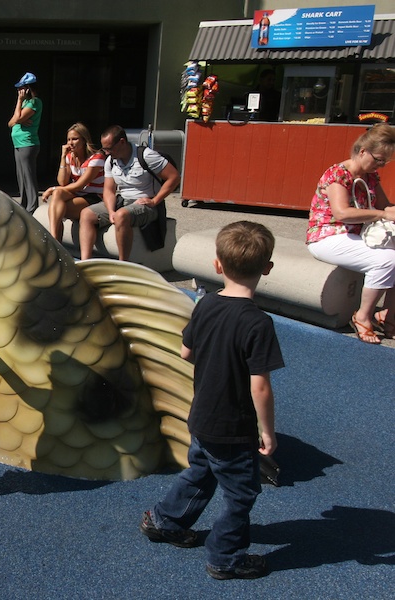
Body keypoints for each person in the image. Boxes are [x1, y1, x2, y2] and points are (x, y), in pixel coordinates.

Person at [140, 221, 283, 581]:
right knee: (242, 492)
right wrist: (268, 431)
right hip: (232, 427)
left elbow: (186, 351)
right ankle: (226, 556)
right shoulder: (258, 323)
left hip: (201, 415)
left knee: (201, 472)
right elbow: (260, 387)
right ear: (267, 268)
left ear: (217, 264)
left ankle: (165, 520)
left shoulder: (204, 304)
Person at [306, 124, 395, 344]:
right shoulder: (338, 174)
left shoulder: (370, 176)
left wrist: (388, 211)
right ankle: (362, 316)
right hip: (326, 237)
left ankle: (389, 317)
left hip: (356, 236)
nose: (381, 165)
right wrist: (382, 213)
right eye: (378, 159)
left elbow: (387, 206)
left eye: (385, 162)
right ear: (363, 150)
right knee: (388, 259)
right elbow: (342, 213)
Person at [79, 125, 179, 261]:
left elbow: (174, 177)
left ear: (122, 142)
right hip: (123, 201)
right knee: (86, 214)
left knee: (121, 216)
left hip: (146, 205)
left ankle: (123, 263)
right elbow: (108, 190)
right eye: (104, 149)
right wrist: (110, 210)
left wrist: (155, 200)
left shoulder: (146, 155)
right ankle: (85, 262)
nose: (107, 153)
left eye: (109, 148)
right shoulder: (111, 161)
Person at [41, 122, 106, 242]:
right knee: (58, 196)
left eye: (75, 139)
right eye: (68, 139)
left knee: (58, 206)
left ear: (84, 140)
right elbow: (62, 182)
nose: (70, 143)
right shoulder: (70, 156)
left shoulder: (96, 158)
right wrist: (62, 157)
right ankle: (55, 239)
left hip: (94, 197)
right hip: (78, 194)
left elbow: (80, 185)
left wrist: (52, 189)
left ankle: (54, 243)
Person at [7, 72, 42, 215]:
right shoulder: (26, 103)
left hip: (28, 144)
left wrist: (19, 102)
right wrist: (18, 118)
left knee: (28, 175)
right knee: (21, 175)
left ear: (27, 88)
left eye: (21, 88)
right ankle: (25, 204)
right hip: (18, 143)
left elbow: (19, 118)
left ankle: (32, 206)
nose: (18, 91)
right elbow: (11, 123)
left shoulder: (34, 102)